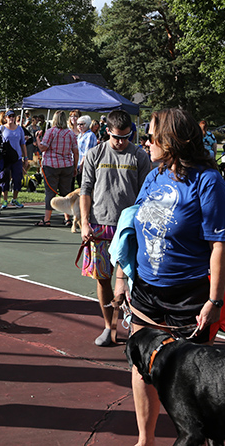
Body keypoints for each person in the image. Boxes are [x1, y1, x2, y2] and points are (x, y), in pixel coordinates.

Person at [130, 108, 225, 445]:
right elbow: (134, 227)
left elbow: (221, 244)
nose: (146, 141)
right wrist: (123, 280)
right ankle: (145, 439)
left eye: (152, 136)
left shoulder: (208, 181)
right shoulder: (153, 176)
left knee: (193, 380)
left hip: (189, 294)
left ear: (171, 141)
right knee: (142, 369)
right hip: (146, 290)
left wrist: (214, 300)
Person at [80, 109, 151, 346]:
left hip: (129, 229)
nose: (121, 142)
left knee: (132, 280)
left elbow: (146, 194)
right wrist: (84, 222)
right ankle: (108, 326)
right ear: (106, 131)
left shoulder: (140, 156)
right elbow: (85, 190)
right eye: (116, 137)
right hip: (100, 226)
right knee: (103, 279)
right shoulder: (95, 153)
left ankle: (134, 329)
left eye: (126, 137)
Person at [34, 110, 78, 226]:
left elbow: (43, 148)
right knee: (66, 193)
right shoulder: (71, 134)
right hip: (67, 165)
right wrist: (74, 166)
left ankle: (47, 219)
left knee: (50, 192)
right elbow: (75, 152)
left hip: (51, 165)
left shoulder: (50, 132)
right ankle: (67, 218)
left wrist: (38, 139)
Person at [0, 110, 28, 209]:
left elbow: (23, 143)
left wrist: (26, 157)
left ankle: (15, 198)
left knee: (18, 178)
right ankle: (5, 200)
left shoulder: (19, 129)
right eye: (9, 116)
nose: (11, 118)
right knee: (5, 178)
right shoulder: (2, 129)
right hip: (6, 159)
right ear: (6, 118)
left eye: (13, 116)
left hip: (17, 158)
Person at [76, 115, 97, 188]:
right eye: (78, 124)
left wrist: (82, 164)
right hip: (78, 164)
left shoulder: (90, 135)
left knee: (84, 186)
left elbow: (87, 152)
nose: (79, 126)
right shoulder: (80, 135)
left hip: (85, 165)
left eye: (81, 124)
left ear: (87, 124)